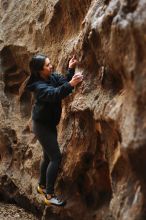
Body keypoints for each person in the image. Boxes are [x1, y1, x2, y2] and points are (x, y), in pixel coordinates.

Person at [26, 54, 83, 206]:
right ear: (39, 71)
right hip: (41, 126)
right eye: (47, 65)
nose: (51, 66)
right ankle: (49, 196)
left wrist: (70, 70)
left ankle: (41, 186)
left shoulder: (51, 76)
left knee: (47, 156)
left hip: (49, 124)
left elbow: (64, 84)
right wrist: (71, 84)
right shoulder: (39, 87)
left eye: (50, 63)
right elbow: (55, 94)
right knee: (56, 157)